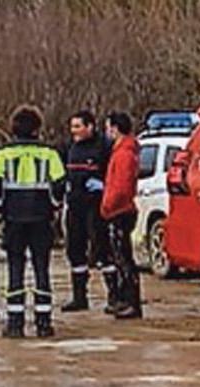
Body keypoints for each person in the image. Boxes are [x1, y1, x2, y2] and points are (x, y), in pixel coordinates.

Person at [0, 104, 67, 339]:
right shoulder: (48, 153)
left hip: (13, 218)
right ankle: (44, 323)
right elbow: (60, 183)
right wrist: (54, 204)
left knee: (15, 269)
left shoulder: (4, 154)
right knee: (42, 269)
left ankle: (15, 323)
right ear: (37, 128)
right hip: (41, 218)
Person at [59, 110, 113, 313]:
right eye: (72, 127)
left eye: (78, 126)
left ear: (90, 126)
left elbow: (112, 173)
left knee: (103, 249)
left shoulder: (104, 146)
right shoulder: (70, 147)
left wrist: (102, 185)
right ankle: (79, 297)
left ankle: (114, 295)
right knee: (75, 249)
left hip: (96, 205)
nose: (74, 131)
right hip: (75, 204)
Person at [99, 111, 143, 320]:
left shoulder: (124, 154)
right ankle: (125, 300)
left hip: (119, 211)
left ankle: (130, 302)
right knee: (120, 257)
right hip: (120, 209)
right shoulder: (122, 151)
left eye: (108, 128)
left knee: (123, 259)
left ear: (115, 129)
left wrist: (107, 205)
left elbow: (121, 187)